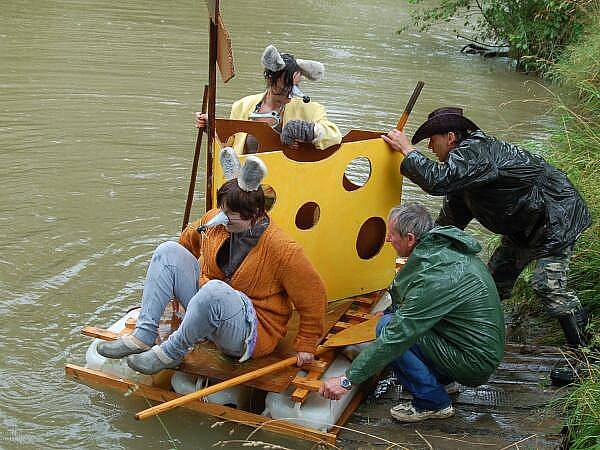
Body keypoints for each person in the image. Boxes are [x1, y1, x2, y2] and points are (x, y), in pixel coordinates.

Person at [381, 107, 591, 350]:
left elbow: (437, 180)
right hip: (521, 227)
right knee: (492, 284)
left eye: (432, 140)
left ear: (450, 138)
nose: (429, 147)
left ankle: (583, 353)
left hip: (556, 218)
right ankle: (482, 335)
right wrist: (412, 264)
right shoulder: (462, 177)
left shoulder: (476, 150)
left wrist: (407, 150)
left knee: (547, 285)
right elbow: (445, 230)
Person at [97, 152, 326, 374]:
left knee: (216, 290)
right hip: (208, 305)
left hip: (248, 329)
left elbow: (313, 297)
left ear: (254, 214)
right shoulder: (216, 220)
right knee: (167, 251)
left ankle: (172, 352)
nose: (222, 219)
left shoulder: (283, 250)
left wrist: (307, 343)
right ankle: (143, 336)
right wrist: (169, 288)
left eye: (231, 216)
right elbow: (186, 243)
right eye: (222, 211)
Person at [319, 203, 505, 422]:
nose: (387, 239)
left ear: (409, 238)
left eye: (391, 234)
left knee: (388, 328)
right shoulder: (441, 249)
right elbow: (415, 299)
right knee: (392, 319)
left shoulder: (437, 277)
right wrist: (391, 309)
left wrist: (347, 380)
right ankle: (444, 380)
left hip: (474, 362)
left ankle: (433, 403)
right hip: (471, 346)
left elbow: (397, 336)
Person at [195, 44, 341, 153]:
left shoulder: (309, 108)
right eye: (284, 88)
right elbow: (229, 148)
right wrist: (212, 128)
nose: (288, 95)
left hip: (286, 184)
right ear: (270, 80)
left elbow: (334, 136)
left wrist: (305, 130)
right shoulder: (242, 106)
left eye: (293, 88)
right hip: (247, 187)